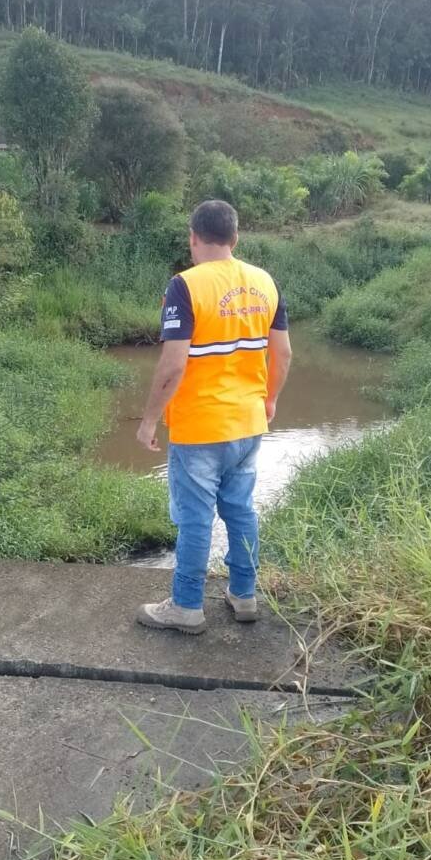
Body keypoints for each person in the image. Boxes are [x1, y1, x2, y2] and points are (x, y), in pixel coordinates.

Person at [135, 199, 291, 634]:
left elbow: (172, 365)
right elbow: (283, 352)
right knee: (240, 509)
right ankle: (244, 594)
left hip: (200, 425)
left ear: (193, 238)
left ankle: (185, 606)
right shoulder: (264, 282)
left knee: (195, 516)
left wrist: (149, 420)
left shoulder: (185, 286)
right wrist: (271, 397)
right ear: (235, 238)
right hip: (248, 421)